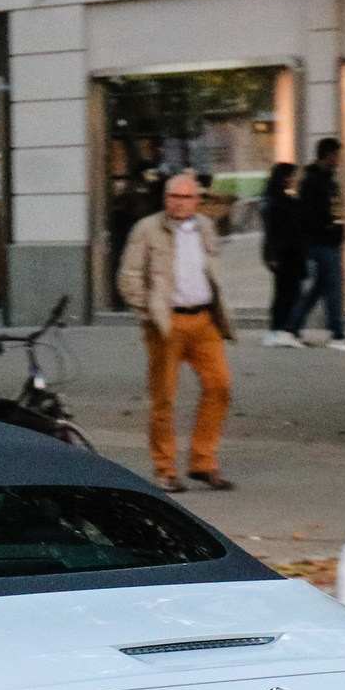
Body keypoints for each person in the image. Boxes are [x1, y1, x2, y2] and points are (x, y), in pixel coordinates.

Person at [116, 171, 236, 493]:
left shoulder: (205, 227)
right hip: (166, 324)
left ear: (197, 200)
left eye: (186, 197)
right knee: (164, 398)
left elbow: (211, 269)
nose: (180, 203)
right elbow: (128, 278)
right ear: (165, 199)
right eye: (174, 197)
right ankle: (165, 468)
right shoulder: (147, 229)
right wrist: (151, 313)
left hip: (203, 321)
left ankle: (203, 461)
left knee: (220, 386)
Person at [282, 137, 345, 349]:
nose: (339, 160)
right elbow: (308, 215)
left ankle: (291, 329)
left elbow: (333, 211)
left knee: (319, 288)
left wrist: (338, 228)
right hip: (321, 243)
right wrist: (329, 228)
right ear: (328, 155)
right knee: (333, 288)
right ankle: (337, 335)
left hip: (327, 241)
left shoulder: (328, 180)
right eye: (336, 155)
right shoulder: (313, 182)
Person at [259, 161, 303, 347]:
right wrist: (273, 255)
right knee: (284, 292)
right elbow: (272, 230)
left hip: (288, 251)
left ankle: (281, 329)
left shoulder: (279, 198)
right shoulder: (275, 201)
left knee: (289, 291)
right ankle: (277, 330)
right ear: (285, 177)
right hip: (283, 253)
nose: (294, 180)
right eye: (292, 176)